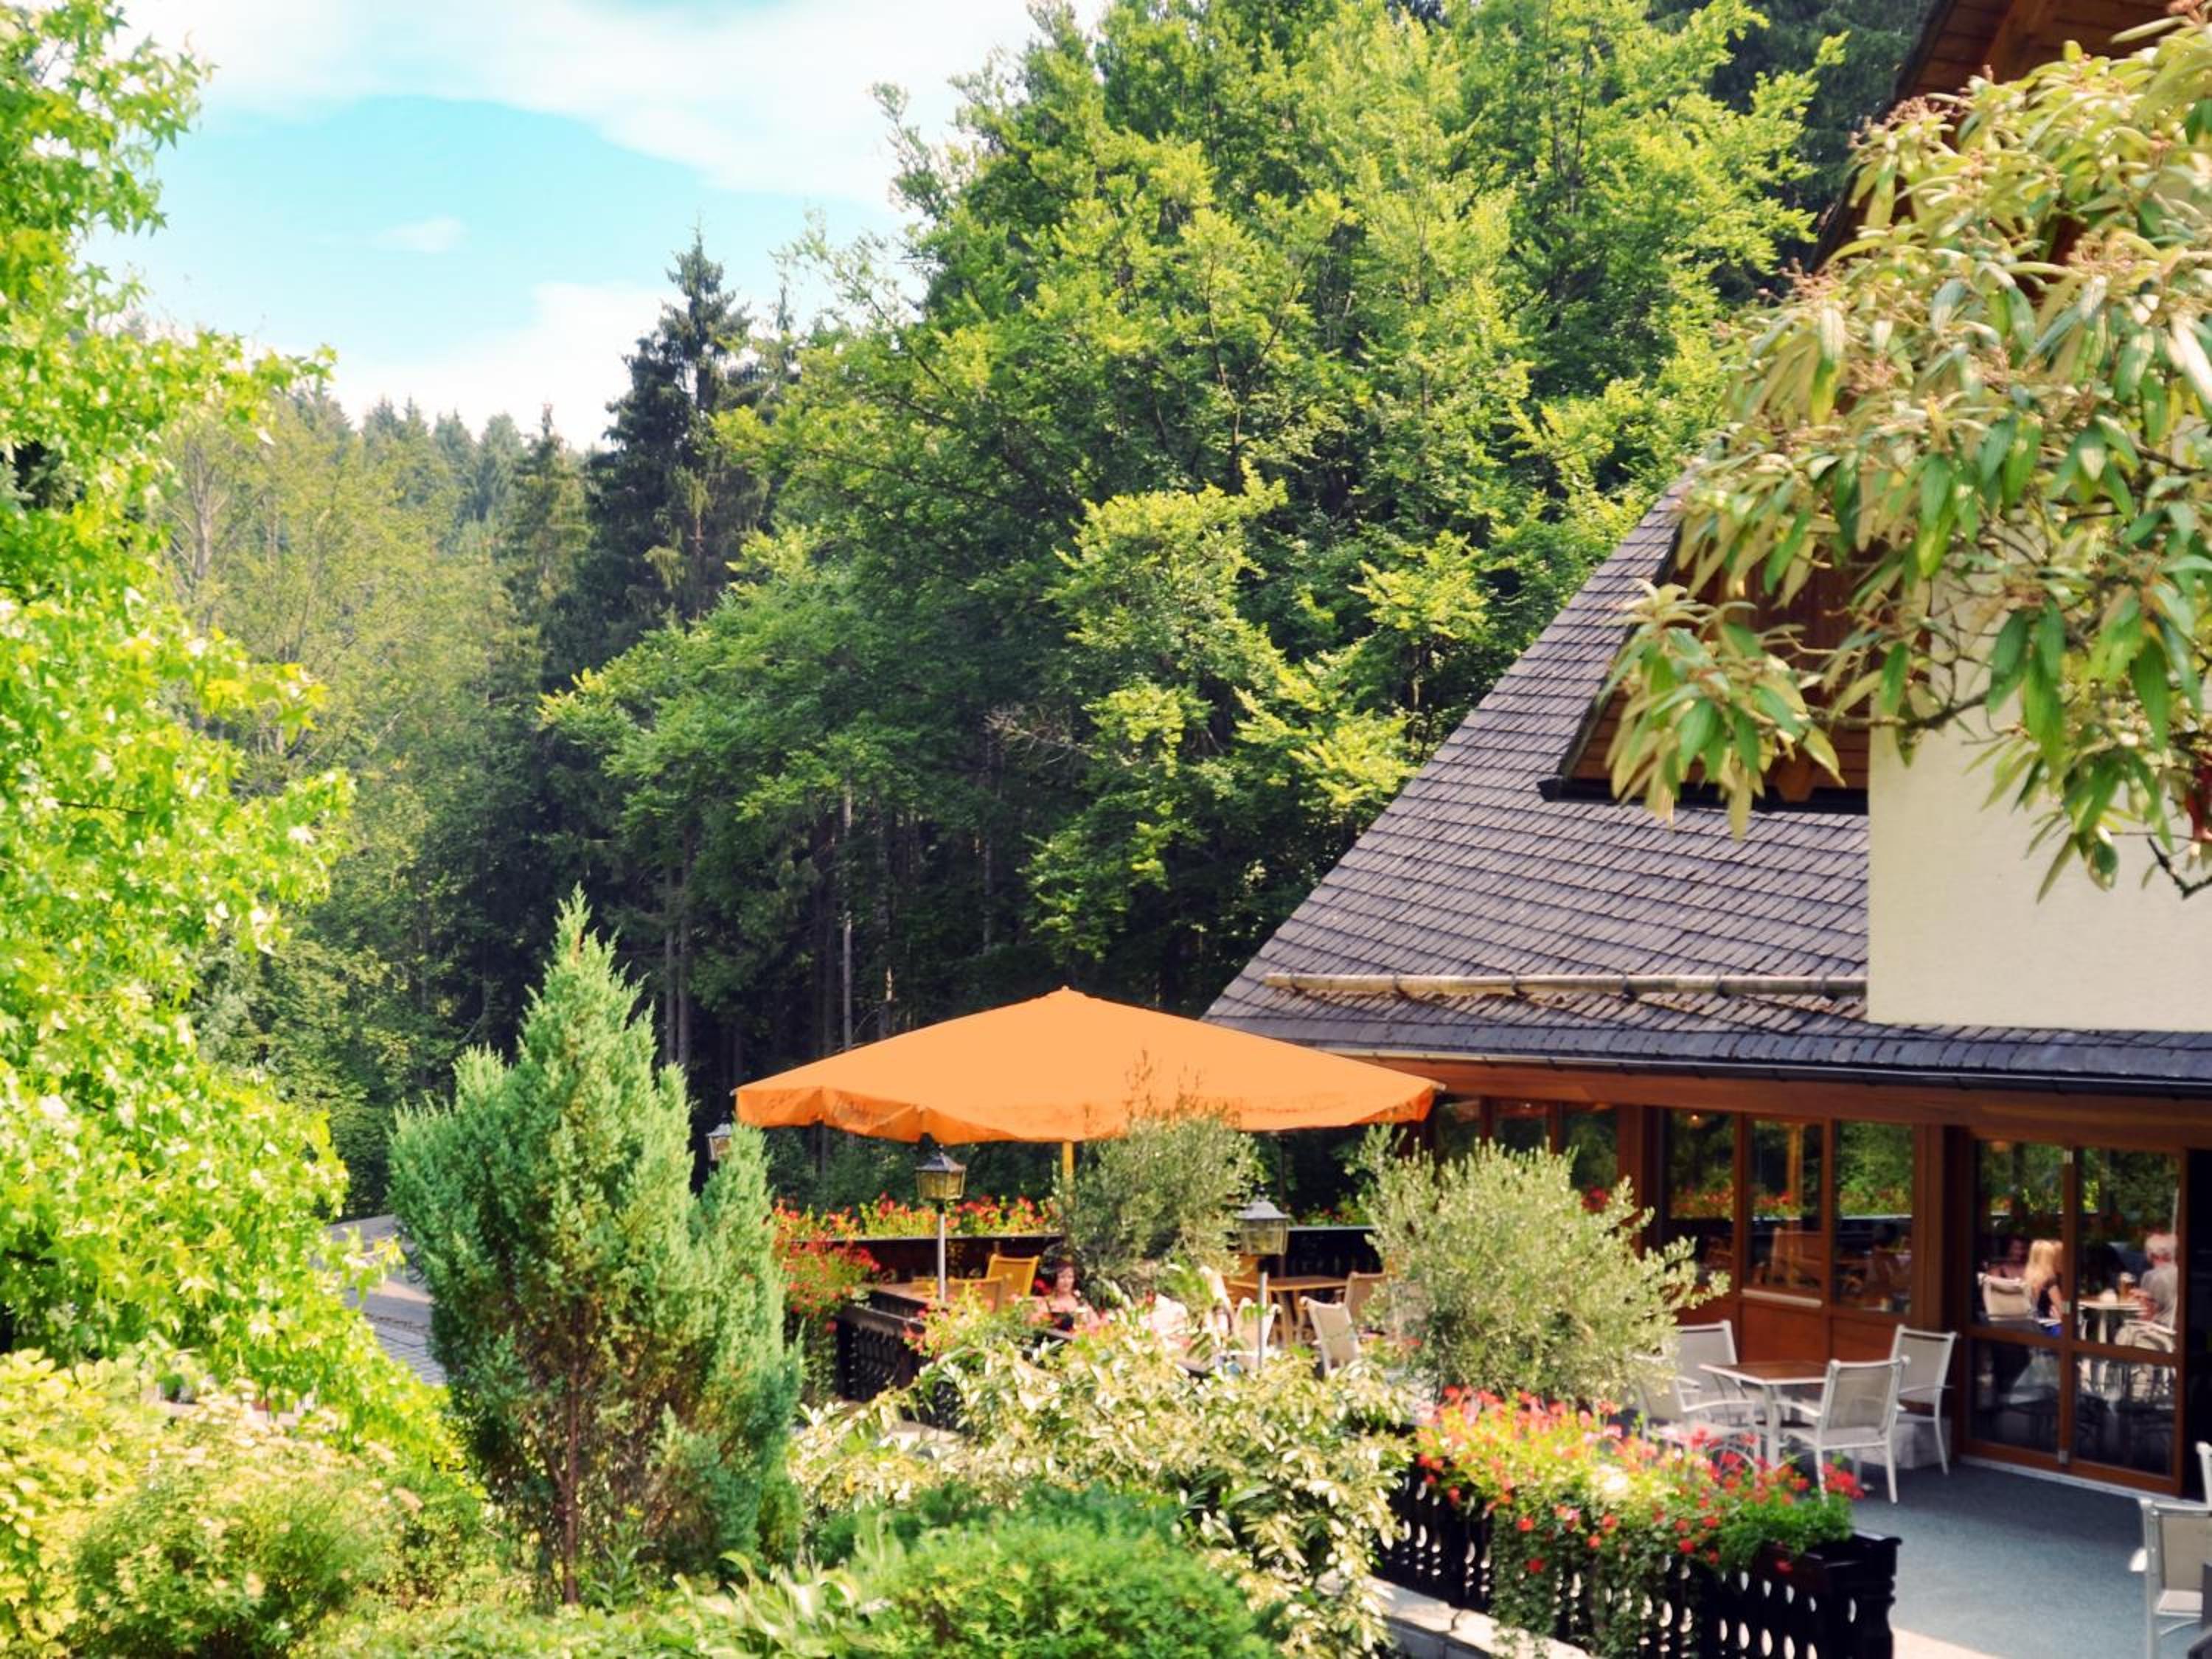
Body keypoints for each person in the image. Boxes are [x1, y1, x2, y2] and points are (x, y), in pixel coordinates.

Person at [2024, 1237, 2065, 1329]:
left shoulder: (2029, 1276)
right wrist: (2070, 1306)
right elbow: (2064, 1310)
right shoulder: (2049, 1280)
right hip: (2045, 1328)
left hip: (2030, 1326)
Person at [2140, 1232, 2179, 1328]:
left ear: (2152, 1254)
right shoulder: (2180, 1273)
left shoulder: (2150, 1276)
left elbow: (2146, 1314)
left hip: (2159, 1328)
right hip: (2177, 1327)